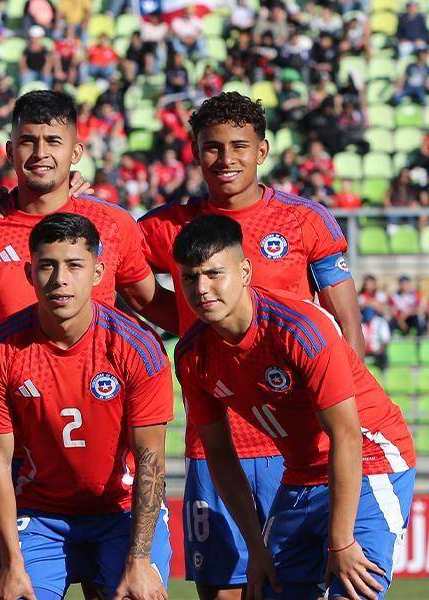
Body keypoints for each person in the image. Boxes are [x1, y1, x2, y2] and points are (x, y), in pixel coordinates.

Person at [137, 92, 365, 600]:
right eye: (212, 147)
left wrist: (345, 423)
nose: (226, 159)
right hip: (217, 441)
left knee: (300, 587)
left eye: (239, 146)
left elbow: (349, 330)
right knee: (223, 589)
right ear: (195, 153)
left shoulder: (305, 219)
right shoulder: (161, 225)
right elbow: (111, 269)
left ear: (262, 151)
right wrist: (179, 318)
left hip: (300, 446)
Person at [172, 215, 416, 600]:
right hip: (301, 474)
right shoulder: (191, 356)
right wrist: (255, 548)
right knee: (271, 591)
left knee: (352, 592)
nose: (202, 288)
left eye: (214, 273)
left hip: (371, 460)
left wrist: (339, 542)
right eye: (189, 277)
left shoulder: (300, 328)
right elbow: (218, 453)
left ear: (245, 270)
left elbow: (346, 435)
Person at [0, 212, 171, 600]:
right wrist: (10, 563)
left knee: (137, 595)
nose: (60, 279)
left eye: (75, 266)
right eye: (47, 266)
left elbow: (151, 459)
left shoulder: (137, 346)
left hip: (122, 511)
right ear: (29, 272)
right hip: (41, 513)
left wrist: (140, 560)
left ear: (97, 273)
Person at [0, 90, 175, 338]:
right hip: (4, 377)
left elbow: (153, 304)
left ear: (76, 152)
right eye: (27, 141)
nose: (40, 153)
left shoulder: (112, 223)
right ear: (10, 151)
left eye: (53, 141)